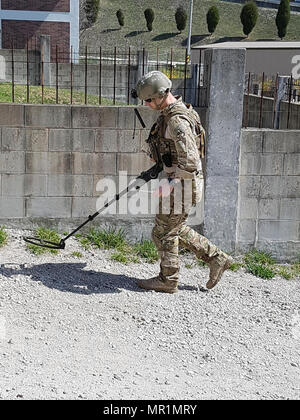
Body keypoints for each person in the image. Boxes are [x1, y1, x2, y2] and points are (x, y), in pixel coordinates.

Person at [134, 71, 233, 293]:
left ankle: (168, 280)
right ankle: (217, 258)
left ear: (161, 95)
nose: (147, 104)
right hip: (181, 183)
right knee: (172, 227)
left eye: (149, 100)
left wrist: (169, 185)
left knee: (163, 232)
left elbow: (190, 161)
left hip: (181, 185)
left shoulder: (177, 120)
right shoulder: (175, 112)